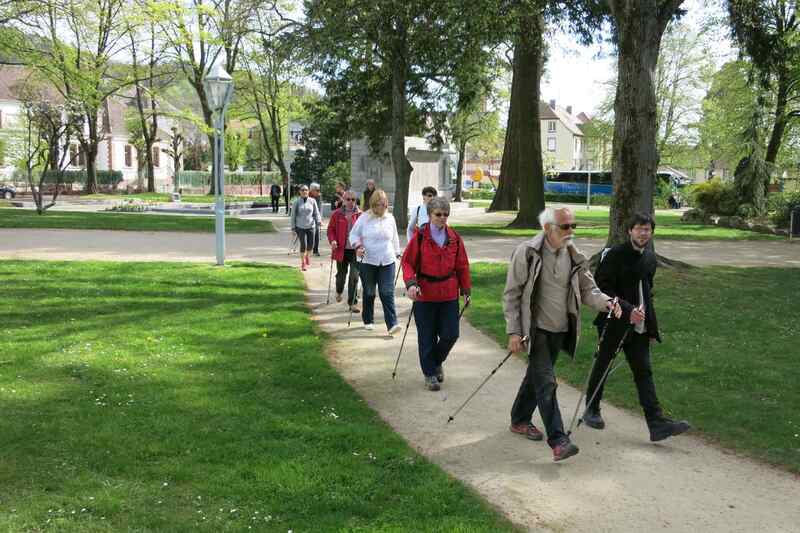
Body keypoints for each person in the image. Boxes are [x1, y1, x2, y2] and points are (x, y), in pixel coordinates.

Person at [503, 207, 621, 462]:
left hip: (560, 330)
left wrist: (607, 302)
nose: (571, 232)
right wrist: (514, 331)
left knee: (536, 377)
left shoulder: (574, 255)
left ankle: (519, 419)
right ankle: (559, 441)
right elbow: (512, 294)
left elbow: (589, 290)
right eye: (565, 227)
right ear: (548, 228)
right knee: (547, 381)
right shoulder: (528, 252)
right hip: (535, 331)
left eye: (573, 226)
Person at [583, 212, 691, 442]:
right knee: (603, 364)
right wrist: (627, 309)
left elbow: (647, 294)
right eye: (639, 229)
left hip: (639, 327)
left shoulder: (650, 259)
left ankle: (656, 423)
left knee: (644, 372)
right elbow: (601, 288)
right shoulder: (614, 256)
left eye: (647, 229)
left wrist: (651, 328)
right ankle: (591, 409)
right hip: (614, 321)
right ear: (630, 231)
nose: (643, 233)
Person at [402, 197, 471, 391]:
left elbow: (462, 266)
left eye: (445, 215)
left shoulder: (455, 238)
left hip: (448, 293)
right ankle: (430, 374)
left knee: (451, 334)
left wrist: (466, 291)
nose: (442, 218)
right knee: (427, 336)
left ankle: (435, 361)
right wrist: (411, 284)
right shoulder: (420, 237)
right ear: (430, 215)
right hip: (425, 294)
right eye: (438, 214)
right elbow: (407, 262)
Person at [348, 189, 402, 335]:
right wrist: (358, 246)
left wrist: (398, 252)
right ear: (372, 204)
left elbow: (395, 237)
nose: (381, 208)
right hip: (368, 261)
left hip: (387, 260)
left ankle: (392, 324)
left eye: (384, 204)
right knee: (370, 292)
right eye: (378, 204)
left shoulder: (390, 218)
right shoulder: (364, 218)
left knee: (386, 292)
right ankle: (368, 319)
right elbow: (353, 234)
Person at [327, 189, 361, 313]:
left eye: (353, 199)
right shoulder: (337, 214)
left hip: (355, 251)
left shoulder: (360, 215)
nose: (351, 202)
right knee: (341, 275)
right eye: (348, 199)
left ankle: (352, 303)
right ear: (343, 200)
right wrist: (333, 241)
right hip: (341, 250)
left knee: (354, 276)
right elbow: (330, 230)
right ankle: (339, 290)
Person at [289, 184, 321, 271]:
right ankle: (303, 263)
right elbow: (293, 216)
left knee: (311, 245)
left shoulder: (312, 201)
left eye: (306, 190)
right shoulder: (296, 202)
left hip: (311, 226)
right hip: (300, 227)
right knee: (303, 244)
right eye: (302, 190)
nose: (304, 191)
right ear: (300, 192)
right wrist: (293, 228)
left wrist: (318, 220)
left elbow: (316, 213)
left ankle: (307, 256)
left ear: (308, 191)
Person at [309, 182, 323, 256]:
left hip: (316, 217)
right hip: (307, 217)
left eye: (319, 190)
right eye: (317, 190)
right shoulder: (306, 195)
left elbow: (319, 208)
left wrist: (319, 219)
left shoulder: (318, 196)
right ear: (311, 190)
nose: (318, 192)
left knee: (317, 233)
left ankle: (315, 250)